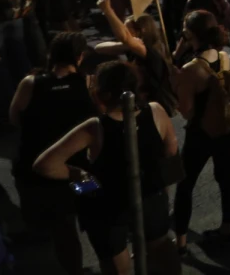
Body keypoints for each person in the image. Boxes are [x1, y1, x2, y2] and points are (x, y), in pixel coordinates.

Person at [33, 61, 181, 275]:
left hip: (106, 205)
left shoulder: (95, 128)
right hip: (150, 194)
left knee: (115, 265)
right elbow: (171, 153)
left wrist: (80, 177)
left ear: (102, 93)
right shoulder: (156, 111)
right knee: (162, 251)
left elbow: (45, 165)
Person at [8, 32, 96, 275]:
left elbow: (14, 118)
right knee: (79, 218)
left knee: (50, 227)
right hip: (75, 172)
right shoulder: (86, 83)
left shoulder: (30, 83)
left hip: (33, 171)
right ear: (79, 57)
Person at [172, 10, 230, 252]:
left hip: (201, 133)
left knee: (185, 184)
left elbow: (186, 111)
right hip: (226, 129)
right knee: (225, 177)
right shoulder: (224, 57)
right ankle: (227, 228)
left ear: (190, 35)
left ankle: (180, 241)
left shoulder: (192, 69)